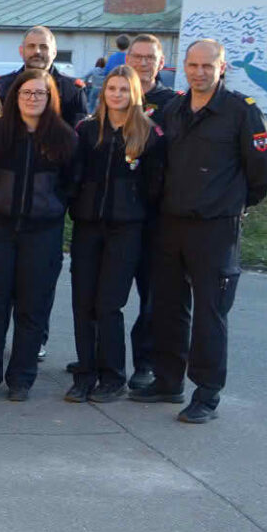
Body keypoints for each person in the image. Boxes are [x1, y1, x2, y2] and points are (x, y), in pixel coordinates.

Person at [135, 39, 267, 423]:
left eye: (207, 66)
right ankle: (168, 381)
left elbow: (260, 173)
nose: (199, 72)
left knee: (211, 314)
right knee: (168, 307)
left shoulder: (241, 111)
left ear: (222, 68)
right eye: (193, 65)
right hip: (171, 223)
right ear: (184, 66)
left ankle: (207, 394)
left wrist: (232, 203)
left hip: (215, 228)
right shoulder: (174, 109)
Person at [0, 68, 76, 401]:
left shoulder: (65, 138)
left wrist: (50, 207)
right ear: (15, 96)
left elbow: (70, 186)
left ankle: (21, 379)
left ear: (50, 98)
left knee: (32, 309)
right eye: (26, 92)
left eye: (40, 93)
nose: (32, 98)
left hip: (42, 234)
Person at [66, 66, 165, 404]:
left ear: (134, 94)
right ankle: (85, 374)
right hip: (88, 227)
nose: (117, 95)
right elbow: (73, 176)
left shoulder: (150, 134)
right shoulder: (86, 130)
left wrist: (136, 211)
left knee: (109, 305)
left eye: (124, 89)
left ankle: (112, 377)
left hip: (127, 230)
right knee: (83, 303)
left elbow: (155, 187)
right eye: (112, 88)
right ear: (103, 92)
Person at [111, 33, 180, 388]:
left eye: (149, 57)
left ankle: (145, 363)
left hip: (156, 215)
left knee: (151, 294)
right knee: (106, 293)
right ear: (127, 59)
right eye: (137, 56)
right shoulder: (114, 96)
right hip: (117, 214)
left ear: (161, 62)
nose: (142, 62)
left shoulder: (172, 104)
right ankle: (101, 359)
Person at [0, 25, 90, 127]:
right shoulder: (2, 86)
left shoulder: (72, 91)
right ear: (21, 51)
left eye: (44, 47)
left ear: (54, 52)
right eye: (31, 46)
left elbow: (78, 132)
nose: (37, 51)